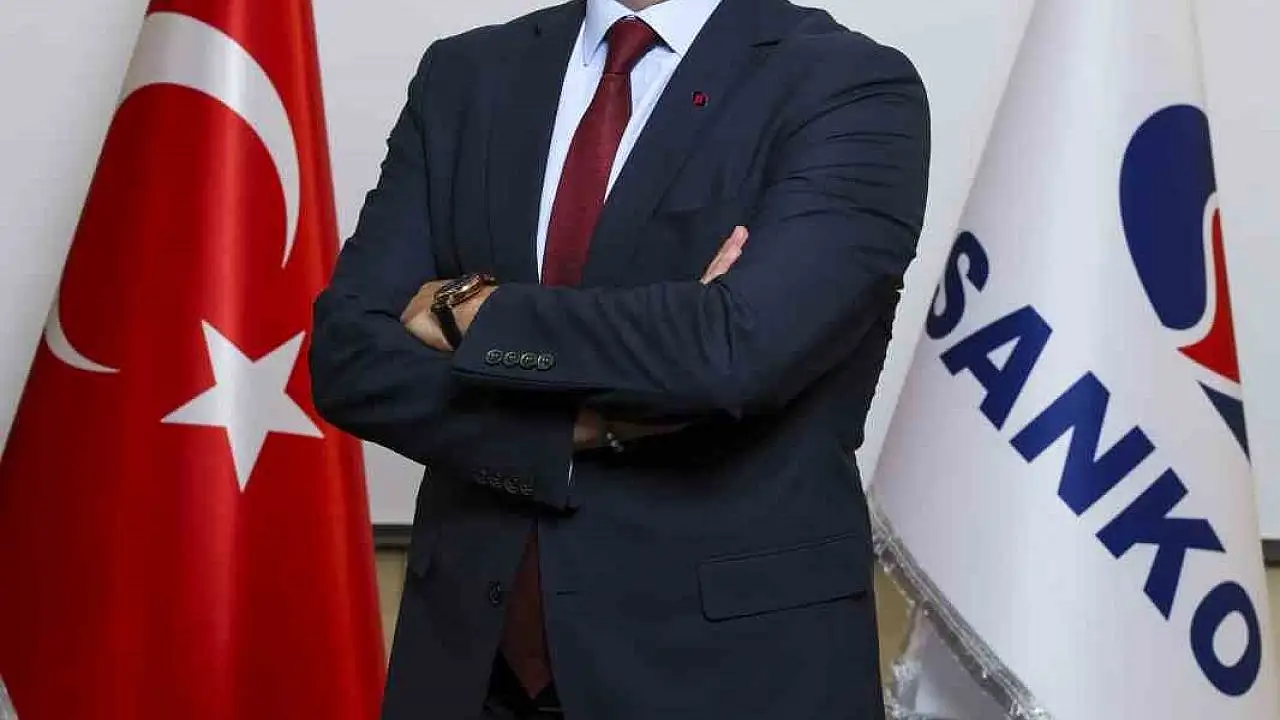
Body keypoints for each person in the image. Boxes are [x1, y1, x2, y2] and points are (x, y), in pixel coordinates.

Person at [309, 0, 930, 715]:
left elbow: (729, 351)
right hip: (468, 668)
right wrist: (579, 429)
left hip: (724, 674)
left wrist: (466, 307)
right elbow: (348, 355)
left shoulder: (850, 84)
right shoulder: (466, 71)